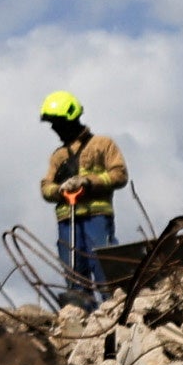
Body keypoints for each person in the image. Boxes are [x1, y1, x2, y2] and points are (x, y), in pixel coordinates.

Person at [39, 94, 128, 280]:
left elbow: (119, 175)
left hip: (96, 218)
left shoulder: (102, 144)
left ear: (71, 118)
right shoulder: (58, 156)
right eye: (52, 123)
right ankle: (79, 308)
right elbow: (46, 187)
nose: (55, 127)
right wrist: (59, 190)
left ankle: (113, 306)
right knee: (74, 276)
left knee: (106, 271)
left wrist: (88, 182)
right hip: (67, 221)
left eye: (58, 122)